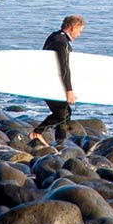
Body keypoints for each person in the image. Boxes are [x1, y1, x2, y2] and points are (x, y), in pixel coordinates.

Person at [29, 14, 85, 146]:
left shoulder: (54, 37)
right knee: (63, 114)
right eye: (79, 31)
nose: (79, 34)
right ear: (72, 28)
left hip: (48, 80)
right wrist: (69, 90)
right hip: (50, 83)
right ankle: (37, 133)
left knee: (65, 112)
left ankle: (61, 143)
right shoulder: (61, 42)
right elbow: (64, 67)